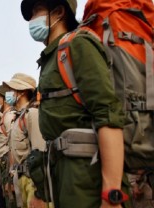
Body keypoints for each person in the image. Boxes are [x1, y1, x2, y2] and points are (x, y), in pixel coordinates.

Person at [20, 0, 130, 207]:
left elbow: (108, 114)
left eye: (37, 12)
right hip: (63, 174)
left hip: (86, 175)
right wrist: (42, 191)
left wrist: (111, 195)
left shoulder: (78, 44)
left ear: (59, 12)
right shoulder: (51, 57)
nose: (32, 20)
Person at [2, 73, 47, 208]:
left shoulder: (32, 114)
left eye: (12, 90)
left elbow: (40, 153)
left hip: (32, 181)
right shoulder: (17, 118)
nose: (8, 94)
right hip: (20, 178)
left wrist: (40, 193)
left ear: (21, 92)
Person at [0, 84, 17, 208]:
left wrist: (11, 173)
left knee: (10, 201)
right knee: (3, 200)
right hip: (2, 164)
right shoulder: (3, 117)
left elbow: (13, 144)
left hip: (8, 163)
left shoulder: (10, 116)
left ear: (5, 98)